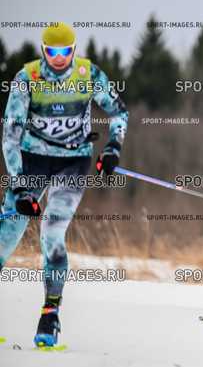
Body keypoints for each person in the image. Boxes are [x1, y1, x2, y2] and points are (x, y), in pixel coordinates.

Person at [0, 22, 128, 347]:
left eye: (65, 51)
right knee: (7, 234)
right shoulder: (27, 78)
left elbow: (119, 113)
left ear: (73, 49)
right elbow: (10, 136)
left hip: (73, 162)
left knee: (53, 231)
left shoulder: (88, 74)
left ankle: (50, 313)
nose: (59, 57)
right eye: (53, 51)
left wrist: (113, 148)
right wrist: (20, 186)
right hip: (32, 161)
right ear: (44, 50)